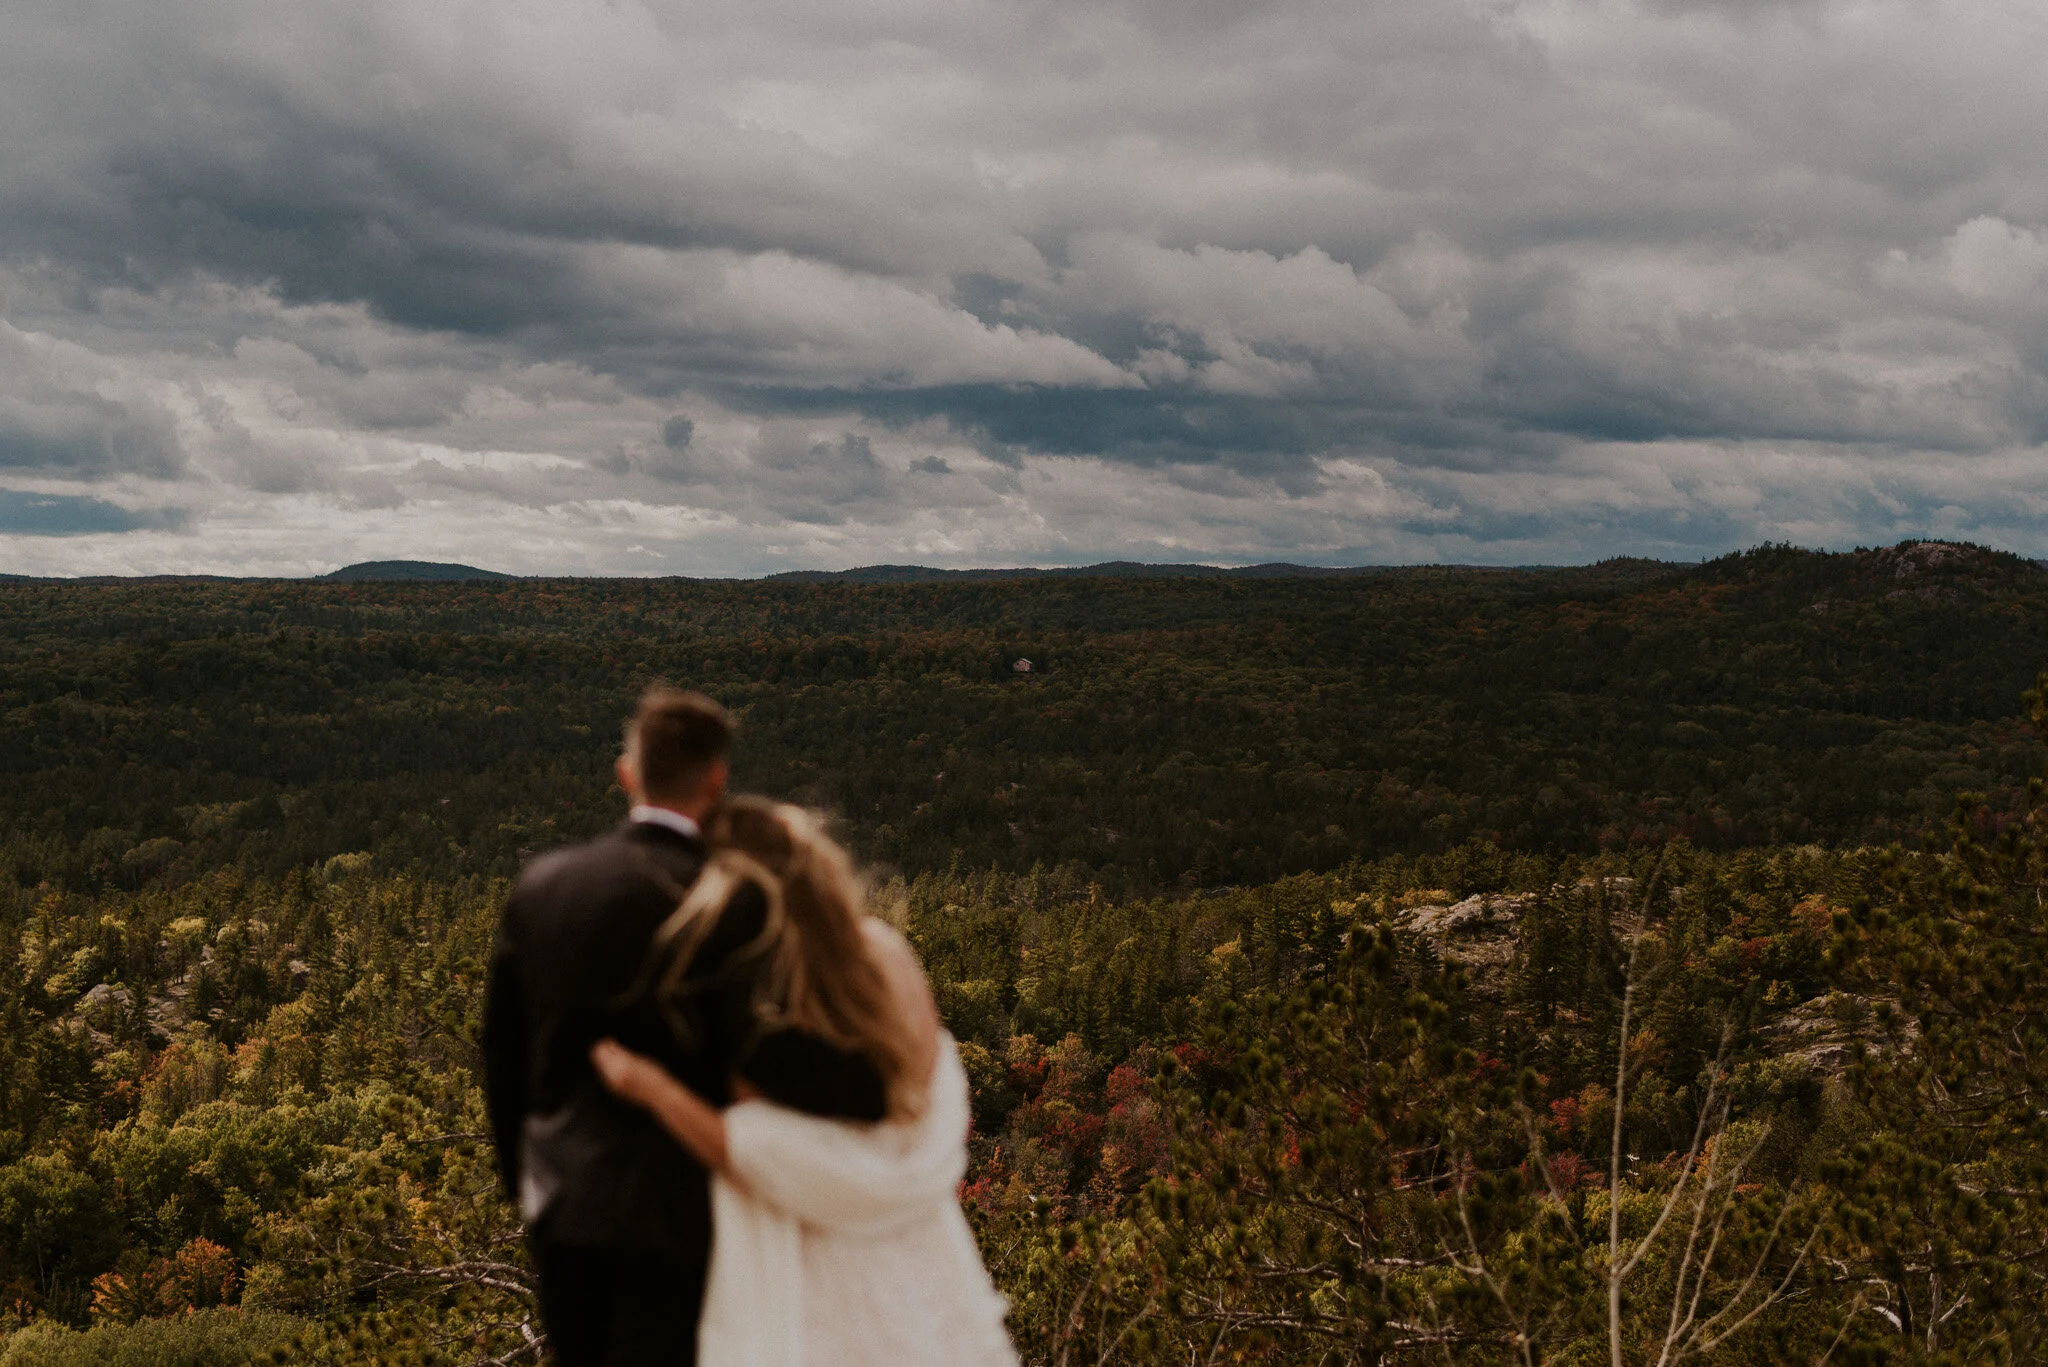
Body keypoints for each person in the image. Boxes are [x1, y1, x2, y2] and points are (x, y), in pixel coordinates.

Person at [483, 691, 885, 1367]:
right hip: (685, 1213)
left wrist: (527, 1189)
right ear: (715, 779)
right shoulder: (731, 897)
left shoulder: (544, 886)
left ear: (628, 773)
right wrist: (867, 1085)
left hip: (565, 1206)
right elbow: (767, 1053)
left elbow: (504, 1061)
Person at [590, 798, 1017, 1367]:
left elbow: (750, 1150)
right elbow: (925, 1096)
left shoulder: (763, 1005)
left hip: (818, 1276)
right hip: (928, 1251)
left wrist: (645, 1085)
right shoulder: (888, 958)